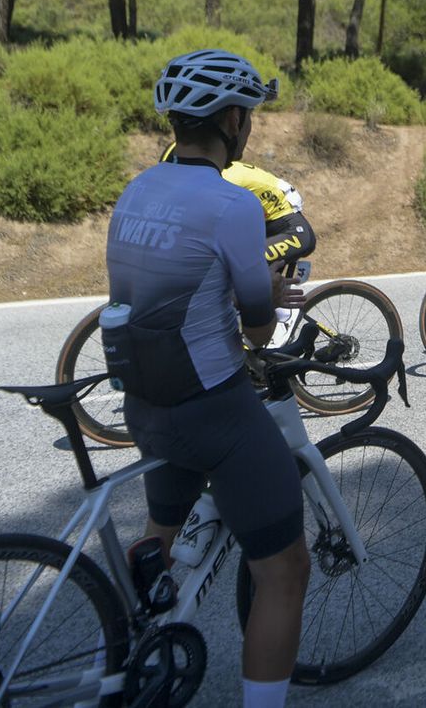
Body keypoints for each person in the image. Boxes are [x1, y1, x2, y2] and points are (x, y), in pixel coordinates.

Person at [107, 49, 308, 708]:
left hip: (145, 404)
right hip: (213, 411)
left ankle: (131, 655)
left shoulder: (136, 190)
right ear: (232, 120)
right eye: (247, 115)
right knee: (284, 569)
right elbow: (258, 330)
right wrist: (268, 293)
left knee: (160, 534)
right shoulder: (233, 204)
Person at [162, 144, 313, 269]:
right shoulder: (208, 173)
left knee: (234, 266)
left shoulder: (218, 180)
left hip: (291, 230)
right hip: (261, 224)